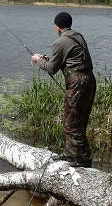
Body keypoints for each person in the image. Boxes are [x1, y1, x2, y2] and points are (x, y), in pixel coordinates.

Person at [30, 12, 96, 167]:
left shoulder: (60, 42)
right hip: (89, 81)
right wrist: (45, 58)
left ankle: (80, 160)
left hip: (77, 84)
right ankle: (73, 155)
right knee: (80, 121)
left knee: (71, 123)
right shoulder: (78, 36)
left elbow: (52, 68)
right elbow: (67, 59)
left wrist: (37, 60)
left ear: (57, 26)